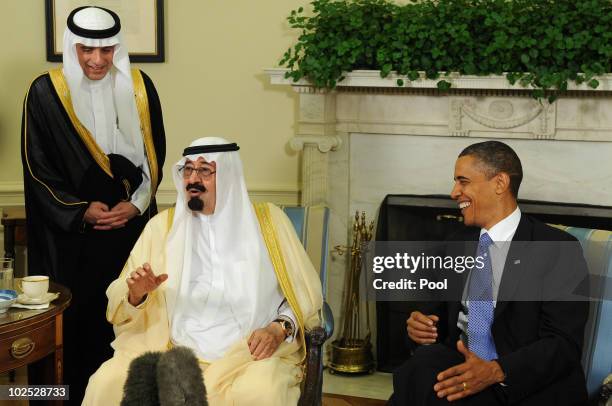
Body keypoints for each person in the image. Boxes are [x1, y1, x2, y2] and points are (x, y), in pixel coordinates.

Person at [83, 137, 323, 405]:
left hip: (249, 355)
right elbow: (122, 292)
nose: (192, 179)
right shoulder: (162, 228)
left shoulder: (269, 224)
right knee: (107, 383)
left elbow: (303, 291)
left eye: (205, 170)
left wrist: (279, 328)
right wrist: (136, 295)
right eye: (187, 170)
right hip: (171, 348)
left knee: (260, 393)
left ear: (228, 176)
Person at [20, 6, 165, 402]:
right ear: (72, 48)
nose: (96, 60)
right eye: (86, 50)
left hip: (127, 235)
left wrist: (135, 205)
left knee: (126, 323)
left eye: (105, 51)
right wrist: (79, 209)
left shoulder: (139, 86)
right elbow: (37, 167)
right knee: (71, 329)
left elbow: (155, 158)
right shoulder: (45, 92)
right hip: (71, 240)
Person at [390, 141, 589, 405]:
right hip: (463, 370)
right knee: (418, 370)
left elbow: (563, 345)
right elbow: (436, 319)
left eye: (463, 181)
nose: (453, 192)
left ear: (499, 183)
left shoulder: (557, 249)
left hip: (521, 383)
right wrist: (421, 328)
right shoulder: (456, 243)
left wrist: (495, 370)